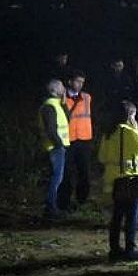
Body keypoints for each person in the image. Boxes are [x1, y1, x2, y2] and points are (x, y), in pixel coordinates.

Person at [98, 101, 138, 261]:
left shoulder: (108, 133)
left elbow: (101, 157)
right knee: (132, 217)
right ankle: (130, 249)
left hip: (113, 181)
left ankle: (114, 250)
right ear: (130, 115)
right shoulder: (129, 132)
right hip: (131, 178)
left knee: (117, 217)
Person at [58, 71, 95, 212]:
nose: (80, 84)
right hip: (68, 140)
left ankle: (82, 199)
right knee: (66, 173)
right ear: (70, 82)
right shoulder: (62, 99)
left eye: (82, 82)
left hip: (84, 139)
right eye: (77, 81)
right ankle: (64, 202)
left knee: (84, 172)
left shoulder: (87, 97)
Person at [39, 79, 71, 220]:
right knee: (56, 178)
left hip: (58, 147)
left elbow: (67, 119)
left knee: (57, 178)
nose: (64, 89)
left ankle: (52, 207)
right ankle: (50, 208)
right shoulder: (49, 107)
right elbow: (51, 129)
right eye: (62, 87)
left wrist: (64, 104)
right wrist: (58, 144)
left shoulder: (57, 105)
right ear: (55, 90)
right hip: (54, 148)